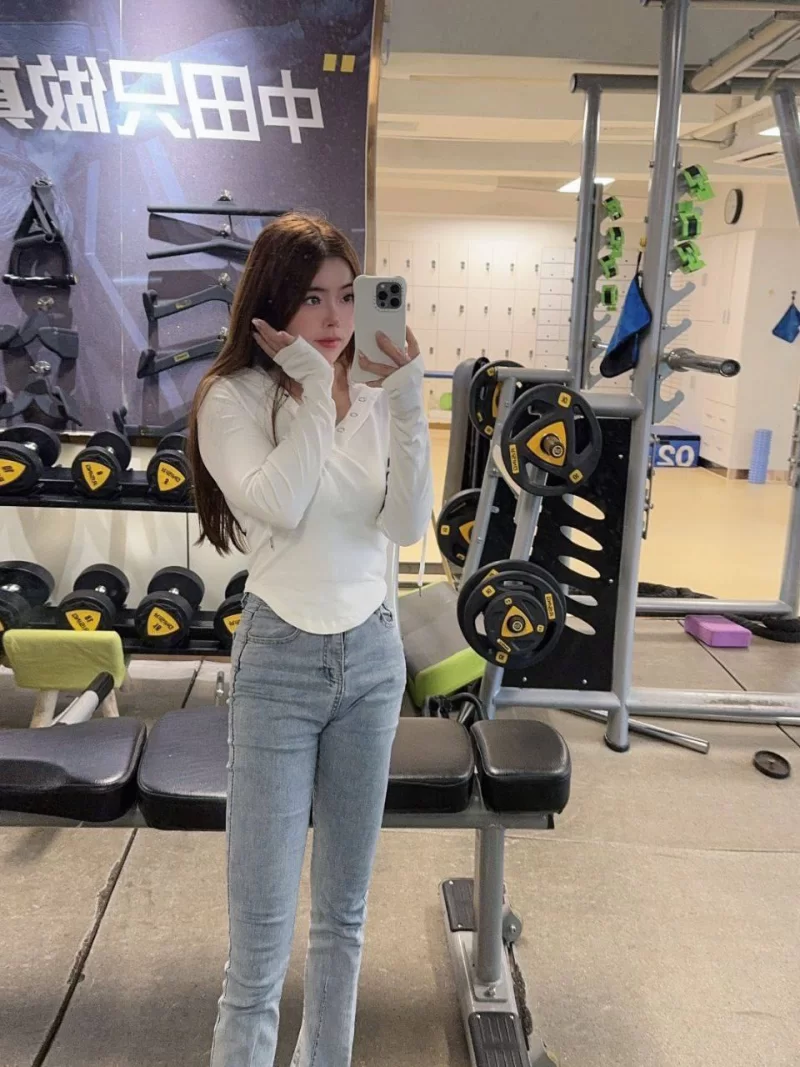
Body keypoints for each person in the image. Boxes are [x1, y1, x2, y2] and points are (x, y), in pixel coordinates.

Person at [188, 211, 433, 1067]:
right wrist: (313, 393)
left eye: (345, 296)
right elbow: (280, 505)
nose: (333, 317)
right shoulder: (233, 398)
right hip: (280, 666)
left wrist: (409, 404)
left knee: (343, 918)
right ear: (272, 304)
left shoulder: (374, 394)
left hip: (372, 658)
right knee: (259, 940)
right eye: (311, 298)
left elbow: (405, 524)